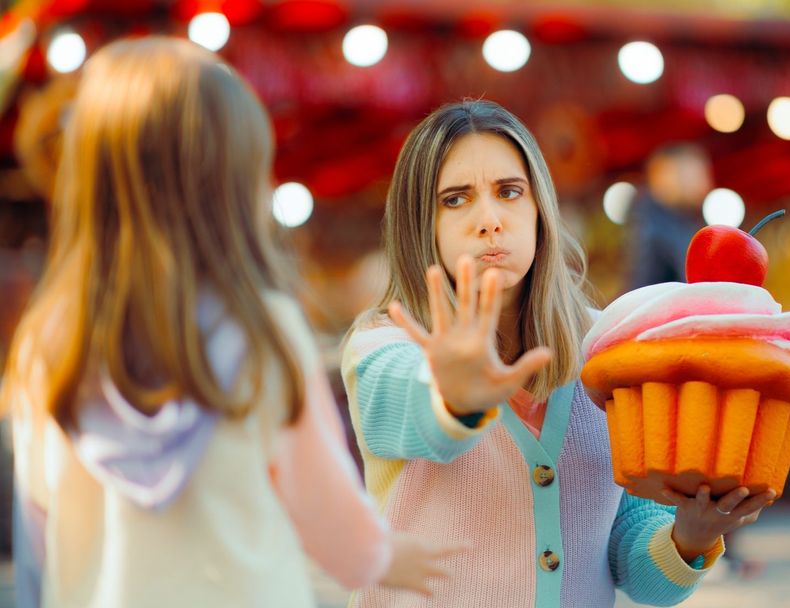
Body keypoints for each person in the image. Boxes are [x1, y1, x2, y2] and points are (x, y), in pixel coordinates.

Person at [0, 36, 455, 608]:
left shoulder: (50, 340)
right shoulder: (263, 330)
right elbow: (325, 510)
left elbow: (39, 528)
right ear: (230, 186)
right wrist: (386, 556)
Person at [341, 100, 774, 607]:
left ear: (538, 208)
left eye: (508, 192)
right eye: (455, 199)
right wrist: (453, 395)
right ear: (421, 224)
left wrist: (691, 537)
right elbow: (416, 416)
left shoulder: (610, 350)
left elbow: (635, 567)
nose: (489, 220)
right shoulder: (383, 343)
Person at [627, 143, 713, 288]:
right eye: (694, 175)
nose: (705, 182)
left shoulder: (678, 219)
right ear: (667, 175)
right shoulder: (654, 225)